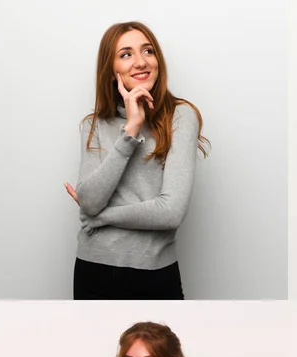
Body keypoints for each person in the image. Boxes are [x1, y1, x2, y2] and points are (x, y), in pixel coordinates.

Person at [65, 21, 209, 300]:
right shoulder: (94, 124)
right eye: (126, 54)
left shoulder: (180, 116)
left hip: (154, 272)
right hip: (92, 269)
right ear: (111, 69)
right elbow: (91, 200)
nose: (141, 62)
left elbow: (170, 212)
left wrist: (100, 218)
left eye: (148, 51)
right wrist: (130, 130)